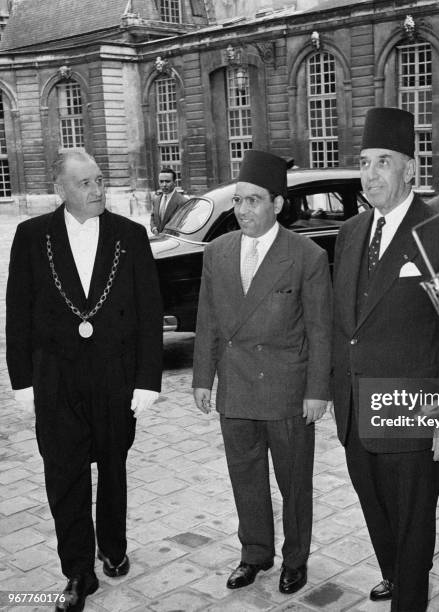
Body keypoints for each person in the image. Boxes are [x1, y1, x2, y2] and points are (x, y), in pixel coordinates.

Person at [5, 149, 163, 612]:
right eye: (85, 184)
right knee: (64, 474)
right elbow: (18, 313)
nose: (97, 191)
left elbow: (149, 312)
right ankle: (77, 571)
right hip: (55, 380)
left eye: (99, 181)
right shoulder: (32, 236)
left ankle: (112, 544)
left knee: (113, 465)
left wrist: (147, 380)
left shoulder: (129, 236)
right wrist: (22, 383)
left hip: (115, 377)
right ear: (61, 189)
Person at [331, 107, 439, 612]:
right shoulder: (349, 234)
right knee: (378, 515)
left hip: (413, 410)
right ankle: (396, 576)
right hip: (355, 410)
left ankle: (410, 598)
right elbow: (347, 324)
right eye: (364, 162)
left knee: (413, 527)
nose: (370, 174)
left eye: (383, 162)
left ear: (410, 168)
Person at [192, 149, 331, 595]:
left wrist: (317, 391)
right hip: (236, 387)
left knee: (294, 483)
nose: (243, 209)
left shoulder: (306, 255)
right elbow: (208, 319)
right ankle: (254, 553)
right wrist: (201, 377)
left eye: (253, 200)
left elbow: (320, 330)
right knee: (245, 477)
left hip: (286, 390)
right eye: (238, 200)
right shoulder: (218, 251)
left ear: (277, 204)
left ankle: (295, 559)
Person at [150, 167, 187, 234]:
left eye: (167, 181)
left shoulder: (183, 201)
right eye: (161, 181)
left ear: (174, 182)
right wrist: (153, 228)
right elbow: (153, 217)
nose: (164, 185)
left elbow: (184, 224)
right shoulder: (156, 200)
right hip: (159, 240)